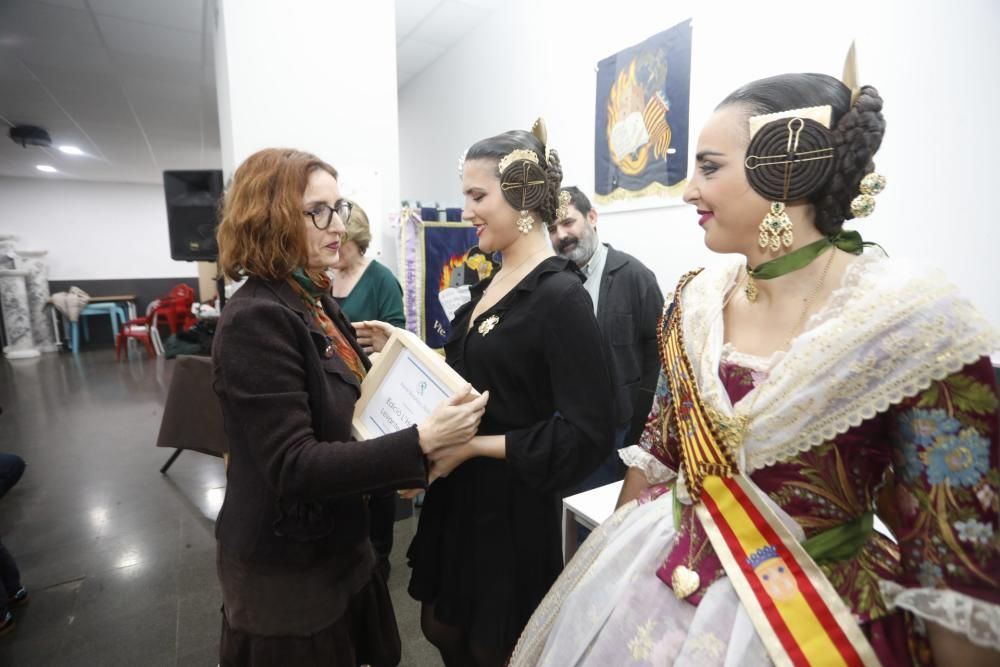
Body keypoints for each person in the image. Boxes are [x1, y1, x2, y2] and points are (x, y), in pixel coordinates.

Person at [511, 73, 1000, 666]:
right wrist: (600, 587)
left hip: (817, 616)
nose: (689, 191)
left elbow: (953, 557)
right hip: (664, 581)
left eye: (709, 168)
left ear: (784, 170)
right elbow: (661, 449)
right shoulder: (695, 301)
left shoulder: (909, 325)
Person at [212, 148, 487, 666]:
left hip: (338, 541)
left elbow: (345, 406)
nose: (337, 224)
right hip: (288, 568)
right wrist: (420, 442)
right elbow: (293, 465)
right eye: (318, 210)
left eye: (339, 207)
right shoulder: (256, 318)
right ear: (268, 217)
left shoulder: (312, 298)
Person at [403, 120, 616, 666]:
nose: (468, 211)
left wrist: (475, 447)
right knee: (443, 627)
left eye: (478, 196)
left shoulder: (559, 297)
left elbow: (585, 431)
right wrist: (404, 351)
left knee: (493, 646)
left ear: (522, 197)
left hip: (511, 508)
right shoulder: (488, 284)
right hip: (460, 497)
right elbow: (474, 381)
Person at [549, 186, 664, 492]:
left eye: (568, 222)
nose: (561, 235)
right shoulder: (551, 282)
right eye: (552, 228)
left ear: (592, 217)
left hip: (619, 431)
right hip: (566, 430)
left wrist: (639, 428)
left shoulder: (636, 277)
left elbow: (658, 355)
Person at [330, 200, 406, 580]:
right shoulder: (324, 278)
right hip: (336, 397)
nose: (334, 252)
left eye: (341, 244)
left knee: (377, 479)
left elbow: (397, 341)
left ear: (357, 241)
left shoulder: (381, 279)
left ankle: (379, 556)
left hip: (371, 392)